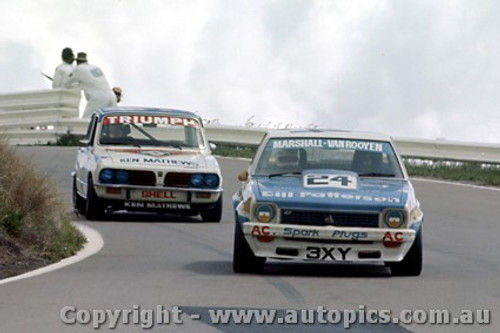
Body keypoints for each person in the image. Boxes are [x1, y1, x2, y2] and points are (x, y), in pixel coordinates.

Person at [65, 52, 116, 118]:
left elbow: (67, 84)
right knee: (111, 123)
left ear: (77, 62)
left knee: (86, 122)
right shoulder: (96, 68)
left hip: (99, 99)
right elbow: (92, 82)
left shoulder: (78, 69)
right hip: (112, 97)